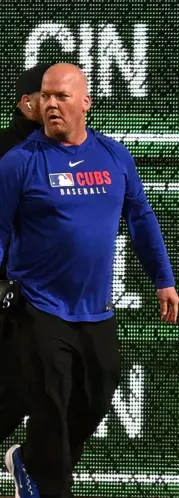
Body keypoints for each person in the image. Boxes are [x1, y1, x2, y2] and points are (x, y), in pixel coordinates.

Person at [0, 63, 179, 498]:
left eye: (61, 96)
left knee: (98, 394)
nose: (51, 104)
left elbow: (140, 219)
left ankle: (32, 460)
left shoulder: (113, 155)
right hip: (38, 302)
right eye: (45, 96)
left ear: (86, 103)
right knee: (51, 397)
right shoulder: (20, 161)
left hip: (95, 306)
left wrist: (163, 279)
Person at [0, 63, 54, 445]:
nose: (54, 103)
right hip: (5, 289)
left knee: (28, 391)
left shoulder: (67, 149)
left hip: (39, 295)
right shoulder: (5, 149)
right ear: (26, 103)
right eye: (46, 95)